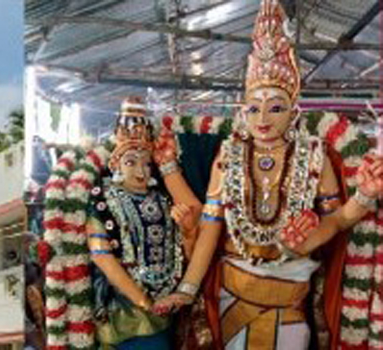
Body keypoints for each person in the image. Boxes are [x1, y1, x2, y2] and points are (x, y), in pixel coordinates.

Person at [151, 1, 383, 348]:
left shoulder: (312, 156)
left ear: (293, 111)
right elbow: (212, 228)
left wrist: (364, 196)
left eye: (275, 107)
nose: (263, 118)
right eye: (254, 107)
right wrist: (187, 289)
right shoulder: (229, 156)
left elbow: (335, 223)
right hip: (233, 292)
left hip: (288, 295)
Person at [85, 97, 197, 349]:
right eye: (130, 162)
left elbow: (183, 252)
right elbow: (102, 257)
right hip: (122, 313)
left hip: (163, 311)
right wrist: (144, 301)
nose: (141, 171)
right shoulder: (101, 201)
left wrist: (189, 231)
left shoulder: (163, 200)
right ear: (115, 165)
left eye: (147, 163)